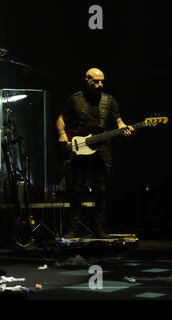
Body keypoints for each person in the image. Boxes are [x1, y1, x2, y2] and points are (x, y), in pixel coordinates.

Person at [57, 68, 134, 238]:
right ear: (86, 80)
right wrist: (62, 134)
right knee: (75, 188)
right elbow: (61, 118)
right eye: (96, 81)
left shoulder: (109, 100)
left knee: (102, 189)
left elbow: (119, 121)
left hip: (102, 148)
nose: (100, 84)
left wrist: (124, 128)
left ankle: (99, 228)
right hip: (79, 146)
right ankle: (74, 228)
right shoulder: (75, 99)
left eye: (102, 81)